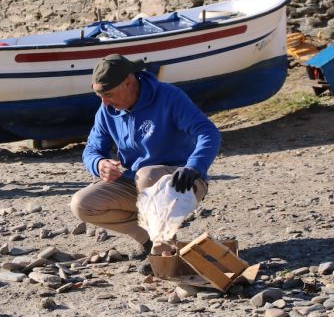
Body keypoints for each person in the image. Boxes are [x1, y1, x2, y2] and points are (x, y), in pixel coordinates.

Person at [70, 54, 221, 262]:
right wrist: (99, 164)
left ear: (129, 82)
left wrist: (194, 167)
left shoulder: (169, 97)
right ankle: (148, 240)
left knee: (147, 175)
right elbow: (91, 149)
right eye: (100, 96)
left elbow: (208, 132)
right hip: (137, 184)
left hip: (183, 182)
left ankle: (164, 252)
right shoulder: (107, 110)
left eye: (109, 94)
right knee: (82, 203)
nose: (104, 102)